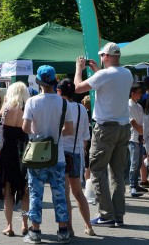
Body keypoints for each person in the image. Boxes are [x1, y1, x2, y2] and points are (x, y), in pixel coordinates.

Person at [74, 42, 133, 227]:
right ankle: (118, 215)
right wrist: (97, 70)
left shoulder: (104, 75)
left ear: (106, 56)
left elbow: (77, 88)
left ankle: (107, 215)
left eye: (102, 55)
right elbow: (110, 82)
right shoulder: (127, 73)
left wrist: (79, 69)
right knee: (117, 174)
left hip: (105, 128)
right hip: (123, 127)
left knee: (98, 170)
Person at [22, 65, 73, 243]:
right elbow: (69, 129)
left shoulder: (32, 102)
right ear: (53, 81)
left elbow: (25, 128)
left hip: (37, 154)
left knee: (36, 193)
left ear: (39, 82)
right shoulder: (64, 103)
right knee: (59, 192)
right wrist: (54, 134)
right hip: (57, 154)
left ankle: (35, 232)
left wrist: (36, 134)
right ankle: (63, 230)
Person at [57, 78, 94, 237]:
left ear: (59, 92)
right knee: (79, 193)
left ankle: (69, 227)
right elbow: (86, 136)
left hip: (62, 152)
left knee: (65, 194)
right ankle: (88, 226)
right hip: (77, 151)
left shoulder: (60, 107)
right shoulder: (81, 109)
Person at [0, 82, 30, 237]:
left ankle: (9, 226)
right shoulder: (27, 108)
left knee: (8, 190)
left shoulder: (6, 108)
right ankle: (25, 224)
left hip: (7, 151)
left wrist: (4, 102)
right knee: (24, 189)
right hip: (24, 150)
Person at [128, 83, 148, 197]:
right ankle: (132, 186)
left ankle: (136, 184)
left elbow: (141, 121)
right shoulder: (128, 105)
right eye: (139, 92)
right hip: (133, 137)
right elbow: (132, 121)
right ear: (133, 93)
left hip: (140, 137)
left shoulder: (139, 106)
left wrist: (143, 133)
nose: (141, 94)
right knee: (134, 163)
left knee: (139, 162)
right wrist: (141, 132)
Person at [81, 95, 92, 181]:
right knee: (90, 163)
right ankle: (88, 180)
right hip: (92, 139)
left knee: (87, 163)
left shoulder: (83, 114)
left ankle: (87, 180)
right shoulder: (94, 114)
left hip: (85, 140)